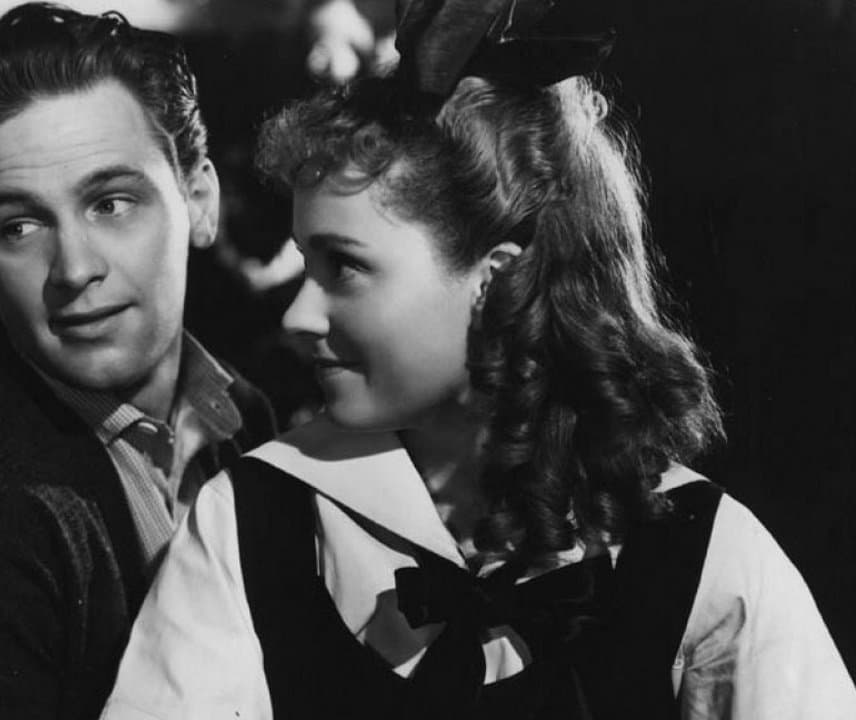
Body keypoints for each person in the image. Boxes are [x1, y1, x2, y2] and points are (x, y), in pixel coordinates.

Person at [101, 1, 856, 718]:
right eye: (304, 262)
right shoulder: (250, 521)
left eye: (344, 267)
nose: (299, 315)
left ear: (495, 280)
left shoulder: (702, 548)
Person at [0, 4, 277, 719]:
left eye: (111, 204)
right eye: (20, 225)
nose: (73, 269)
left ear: (199, 201)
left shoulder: (244, 415)